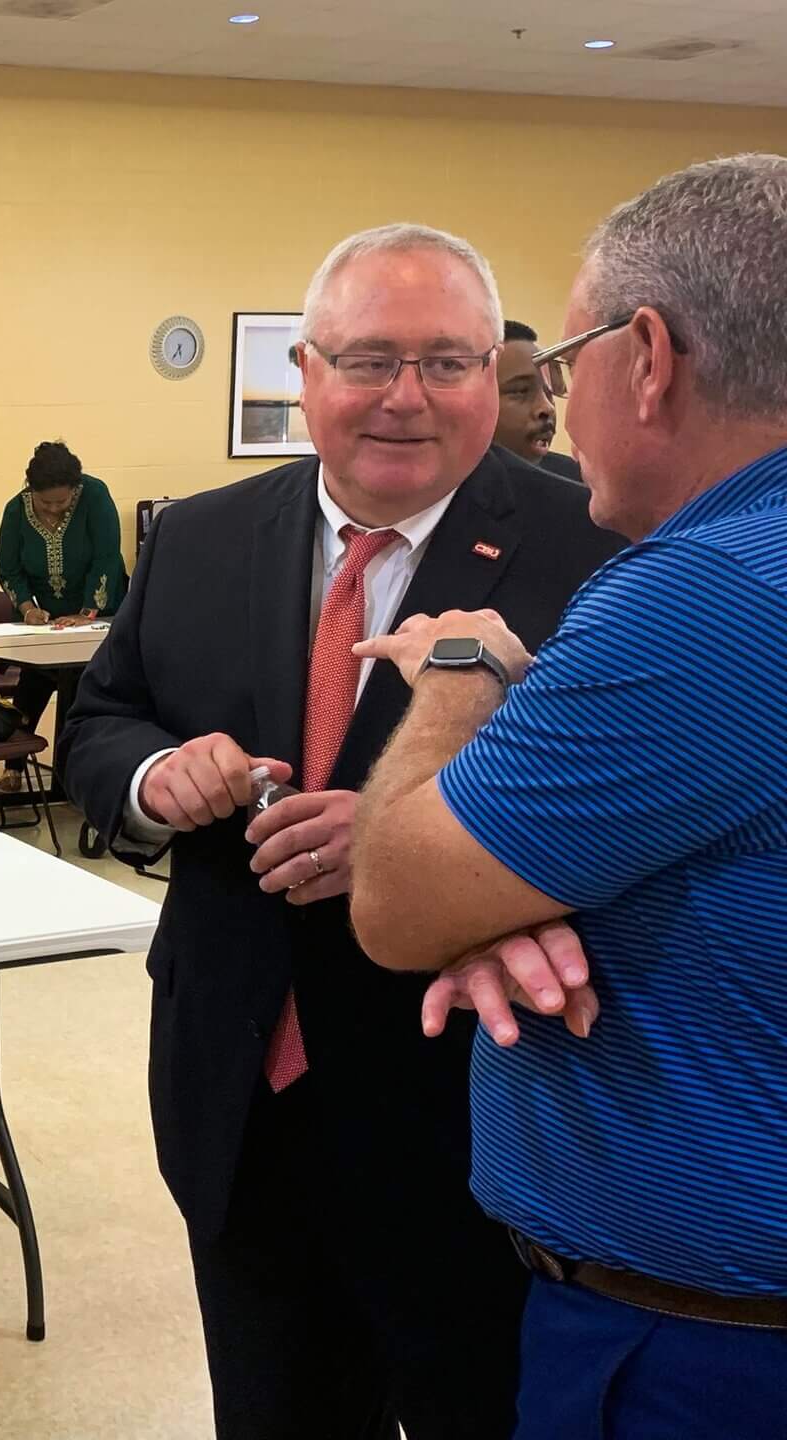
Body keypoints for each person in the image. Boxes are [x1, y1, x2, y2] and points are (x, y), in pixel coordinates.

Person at [59, 223, 621, 1440]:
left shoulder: (600, 547)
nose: (406, 400)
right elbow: (101, 722)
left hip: (471, 1112)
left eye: (449, 363)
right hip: (237, 1091)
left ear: (501, 374)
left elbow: (635, 811)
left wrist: (416, 838)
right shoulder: (199, 537)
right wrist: (159, 776)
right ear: (304, 374)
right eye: (369, 361)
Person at [350, 155, 787, 1439]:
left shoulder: (705, 597)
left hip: (699, 1345)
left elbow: (392, 897)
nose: (558, 400)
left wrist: (460, 672)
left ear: (647, 357)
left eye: (562, 356)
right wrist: (499, 898)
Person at [0, 440, 126, 729]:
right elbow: (8, 569)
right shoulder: (15, 511)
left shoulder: (95, 496)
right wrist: (28, 609)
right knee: (35, 679)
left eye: (61, 502)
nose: (54, 508)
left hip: (98, 616)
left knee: (80, 686)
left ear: (74, 489)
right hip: (47, 622)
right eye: (45, 502)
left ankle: (68, 767)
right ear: (31, 489)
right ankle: (15, 767)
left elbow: (107, 559)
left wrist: (88, 613)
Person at [495, 320, 582, 481]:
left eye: (549, 392)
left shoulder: (579, 486)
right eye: (521, 391)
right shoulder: (442, 495)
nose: (547, 408)